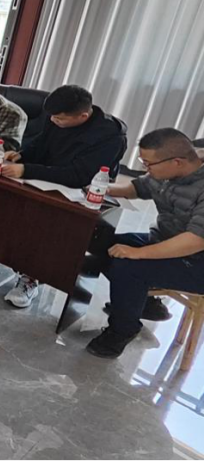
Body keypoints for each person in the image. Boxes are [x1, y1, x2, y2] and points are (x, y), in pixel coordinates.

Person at [0, 85, 127, 307]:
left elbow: (80, 175)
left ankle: (30, 278)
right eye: (52, 117)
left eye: (59, 119)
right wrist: (22, 156)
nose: (53, 121)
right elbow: (42, 143)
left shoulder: (110, 136)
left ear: (83, 116)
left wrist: (27, 170)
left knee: (44, 227)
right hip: (44, 182)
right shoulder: (57, 118)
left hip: (78, 194)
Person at [87, 128, 204, 358]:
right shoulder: (167, 172)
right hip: (165, 240)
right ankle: (145, 303)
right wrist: (104, 190)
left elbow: (196, 240)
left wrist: (138, 253)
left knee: (129, 266)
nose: (145, 169)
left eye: (149, 164)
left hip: (197, 261)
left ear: (177, 162)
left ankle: (122, 331)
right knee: (102, 243)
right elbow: (138, 188)